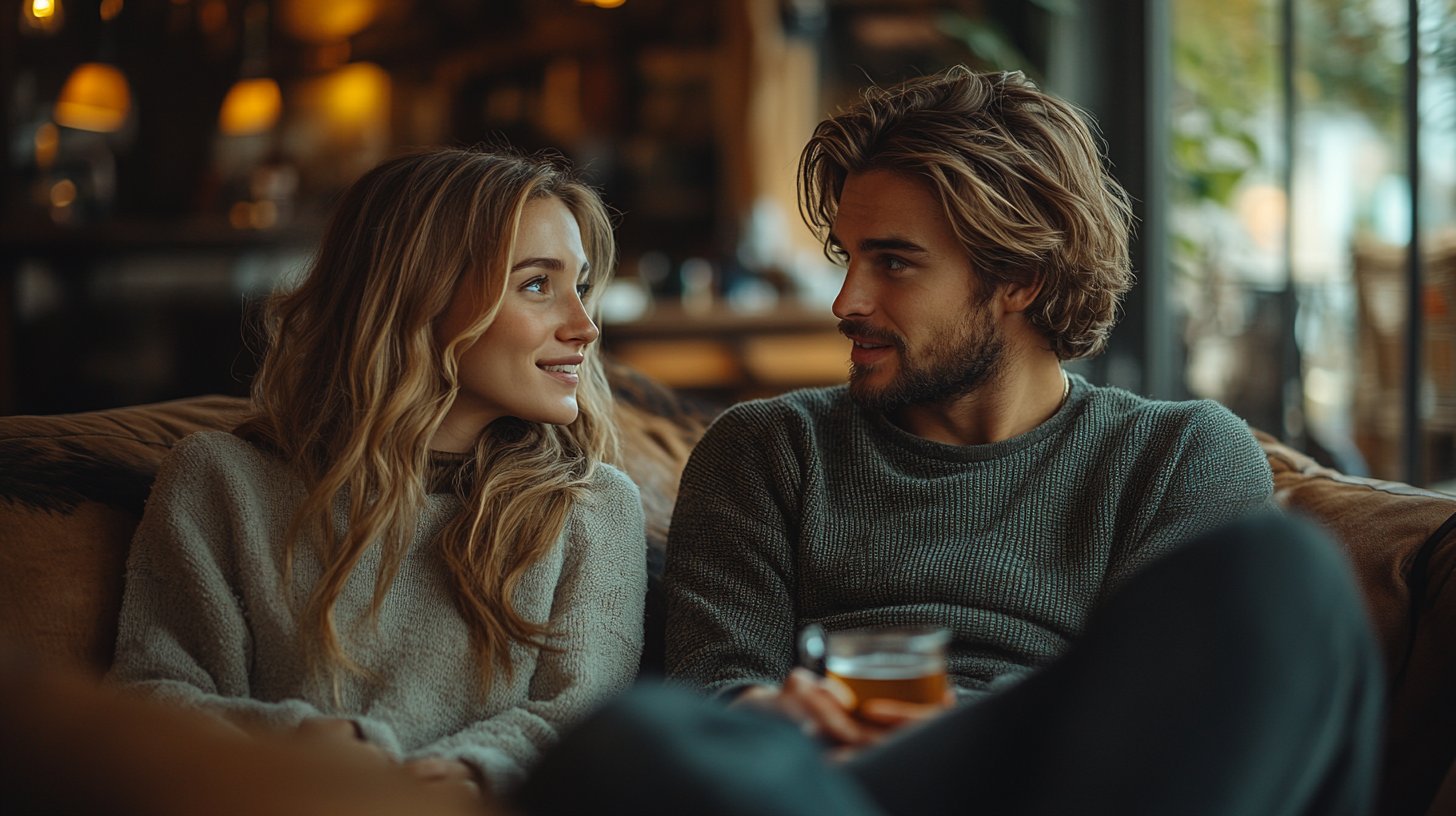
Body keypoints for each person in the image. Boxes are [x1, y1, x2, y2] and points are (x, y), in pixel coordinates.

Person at [640, 67, 1383, 815]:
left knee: (1288, 571)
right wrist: (769, 714)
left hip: (1057, 783)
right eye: (847, 257)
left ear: (1020, 277)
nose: (847, 301)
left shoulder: (1176, 455)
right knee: (618, 739)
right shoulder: (766, 449)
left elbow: (1169, 714)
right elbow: (711, 707)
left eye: (893, 262)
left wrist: (969, 725)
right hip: (838, 792)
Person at [107, 147, 647, 799]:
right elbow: (150, 697)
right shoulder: (220, 482)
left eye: (582, 286)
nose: (585, 326)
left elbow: (584, 722)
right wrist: (304, 747)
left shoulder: (593, 509)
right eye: (538, 284)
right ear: (420, 292)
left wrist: (470, 771)